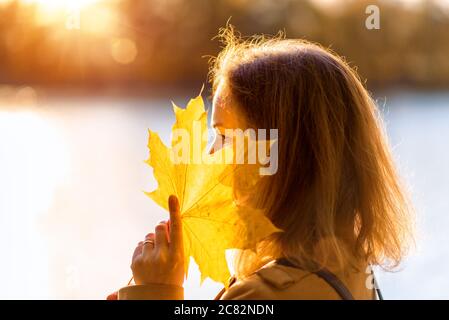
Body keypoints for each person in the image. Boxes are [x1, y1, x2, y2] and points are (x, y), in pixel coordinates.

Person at [109, 26, 413, 300]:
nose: (211, 154)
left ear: (287, 157)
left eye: (225, 136)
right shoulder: (354, 272)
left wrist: (155, 292)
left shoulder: (263, 295)